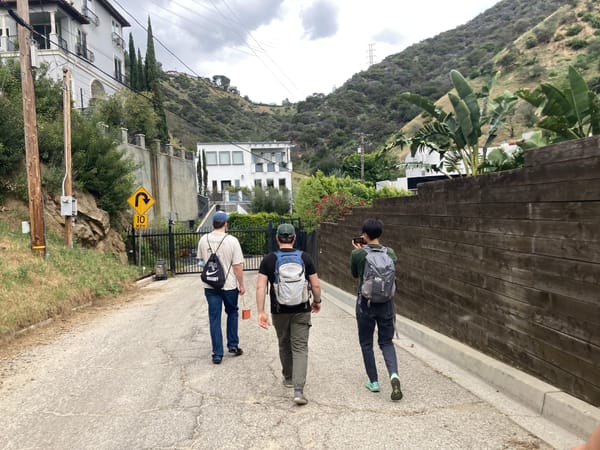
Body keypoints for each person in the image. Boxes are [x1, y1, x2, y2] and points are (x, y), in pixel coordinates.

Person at [256, 223, 322, 406]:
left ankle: (288, 377)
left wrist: (261, 312)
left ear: (277, 238)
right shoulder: (305, 257)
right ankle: (299, 390)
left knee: (284, 343)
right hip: (301, 309)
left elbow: (261, 286)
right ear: (294, 238)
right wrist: (317, 301)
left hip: (279, 310)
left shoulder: (269, 260)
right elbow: (315, 285)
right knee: (300, 347)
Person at [350, 218, 403, 401]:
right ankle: (394, 375)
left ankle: (373, 382)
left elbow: (355, 274)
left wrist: (358, 251)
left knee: (366, 343)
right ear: (380, 234)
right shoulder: (390, 252)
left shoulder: (358, 255)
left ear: (364, 235)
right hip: (387, 303)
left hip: (365, 304)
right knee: (386, 342)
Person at [197, 211, 246, 364]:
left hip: (210, 285)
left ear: (213, 224)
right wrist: (241, 284)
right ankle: (232, 345)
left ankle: (217, 354)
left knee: (214, 318)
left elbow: (201, 262)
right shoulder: (232, 241)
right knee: (232, 312)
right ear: (225, 224)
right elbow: (237, 266)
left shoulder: (203, 239)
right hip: (229, 285)